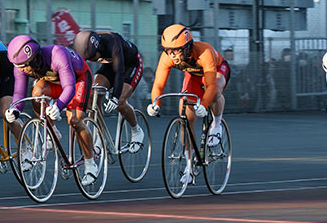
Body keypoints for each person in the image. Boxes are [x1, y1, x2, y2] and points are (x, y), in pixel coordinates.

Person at [4, 35, 99, 184]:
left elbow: (69, 88)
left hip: (78, 80)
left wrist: (58, 106)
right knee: (36, 94)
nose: (21, 70)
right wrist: (15, 109)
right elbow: (19, 93)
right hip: (55, 82)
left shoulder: (57, 55)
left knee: (74, 120)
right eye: (18, 66)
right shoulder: (21, 66)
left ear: (34, 59)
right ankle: (53, 131)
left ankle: (90, 162)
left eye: (24, 66)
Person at [147, 24, 231, 184]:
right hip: (193, 75)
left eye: (176, 50)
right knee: (185, 116)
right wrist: (155, 103)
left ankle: (217, 123)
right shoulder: (167, 57)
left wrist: (204, 105)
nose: (171, 55)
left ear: (187, 47)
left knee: (213, 89)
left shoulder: (203, 52)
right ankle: (189, 166)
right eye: (168, 50)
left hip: (216, 70)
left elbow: (212, 86)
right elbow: (158, 84)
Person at [72, 30, 145, 145]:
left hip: (130, 65)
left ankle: (136, 130)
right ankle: (101, 137)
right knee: (92, 95)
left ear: (98, 49)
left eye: (92, 57)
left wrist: (115, 97)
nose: (91, 60)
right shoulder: (86, 47)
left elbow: (119, 73)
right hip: (110, 65)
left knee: (120, 101)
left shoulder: (112, 42)